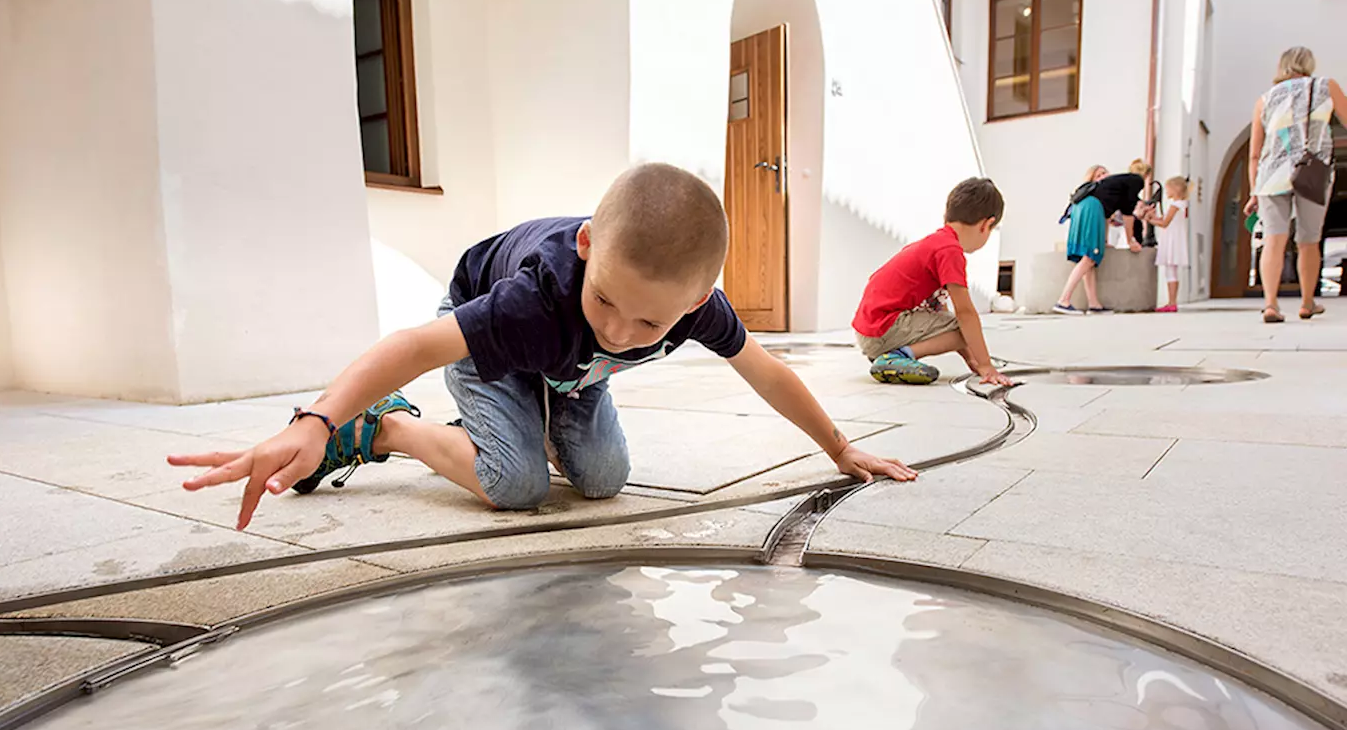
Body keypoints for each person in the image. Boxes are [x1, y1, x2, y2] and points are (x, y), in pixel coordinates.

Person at [167, 163, 918, 529]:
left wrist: (841, 448)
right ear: (587, 248)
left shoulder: (693, 307)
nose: (619, 332)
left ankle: (541, 412)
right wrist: (319, 420)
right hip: (483, 331)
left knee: (604, 479)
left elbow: (768, 371)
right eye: (605, 303)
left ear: (693, 305)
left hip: (569, 375)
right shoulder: (533, 300)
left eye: (649, 326)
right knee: (520, 486)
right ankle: (388, 428)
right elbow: (413, 344)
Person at [852, 178, 1012, 387]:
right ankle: (898, 356)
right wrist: (986, 366)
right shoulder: (950, 250)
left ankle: (895, 355)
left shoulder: (936, 243)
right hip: (883, 328)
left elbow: (941, 314)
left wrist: (972, 360)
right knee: (966, 326)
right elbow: (965, 315)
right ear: (986, 224)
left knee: (955, 323)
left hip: (871, 329)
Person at [1243, 47, 1347, 323]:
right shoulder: (1327, 86)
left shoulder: (1265, 99)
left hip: (1271, 175)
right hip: (1312, 172)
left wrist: (1254, 190)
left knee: (1273, 240)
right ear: (1309, 64)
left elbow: (1254, 153)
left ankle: (1270, 304)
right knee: (1308, 241)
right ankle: (1307, 302)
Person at [1053, 160, 1151, 316]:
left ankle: (1094, 304)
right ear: (1146, 176)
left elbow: (1105, 217)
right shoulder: (1135, 181)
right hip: (1092, 208)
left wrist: (1104, 242)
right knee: (1089, 258)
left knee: (1089, 259)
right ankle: (1063, 300)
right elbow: (1127, 215)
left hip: (1082, 208)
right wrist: (1131, 240)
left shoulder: (1109, 189)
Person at [1147, 176, 1190, 312]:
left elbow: (1165, 223)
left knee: (1170, 271)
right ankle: (1172, 301)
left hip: (1171, 239)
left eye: (1168, 189)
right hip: (1175, 237)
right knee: (1172, 271)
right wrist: (1154, 218)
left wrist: (1149, 220)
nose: (1166, 192)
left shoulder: (1175, 205)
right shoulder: (1183, 205)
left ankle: (1172, 302)